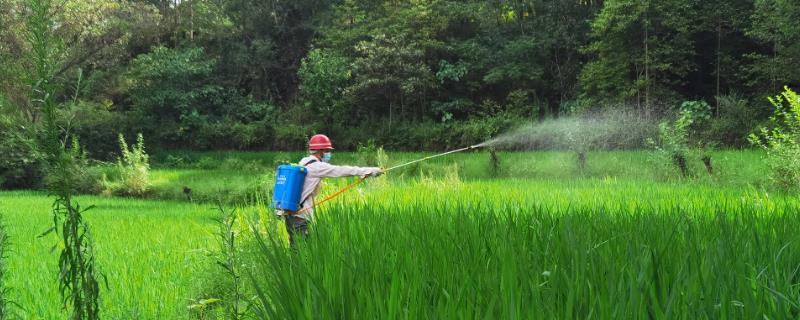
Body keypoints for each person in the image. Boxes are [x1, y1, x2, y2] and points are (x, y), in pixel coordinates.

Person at [281, 134, 382, 245]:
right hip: (300, 217)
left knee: (297, 250)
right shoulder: (317, 166)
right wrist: (370, 170)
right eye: (327, 150)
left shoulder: (304, 162)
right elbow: (341, 170)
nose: (329, 153)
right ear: (321, 151)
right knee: (302, 253)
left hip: (292, 215)